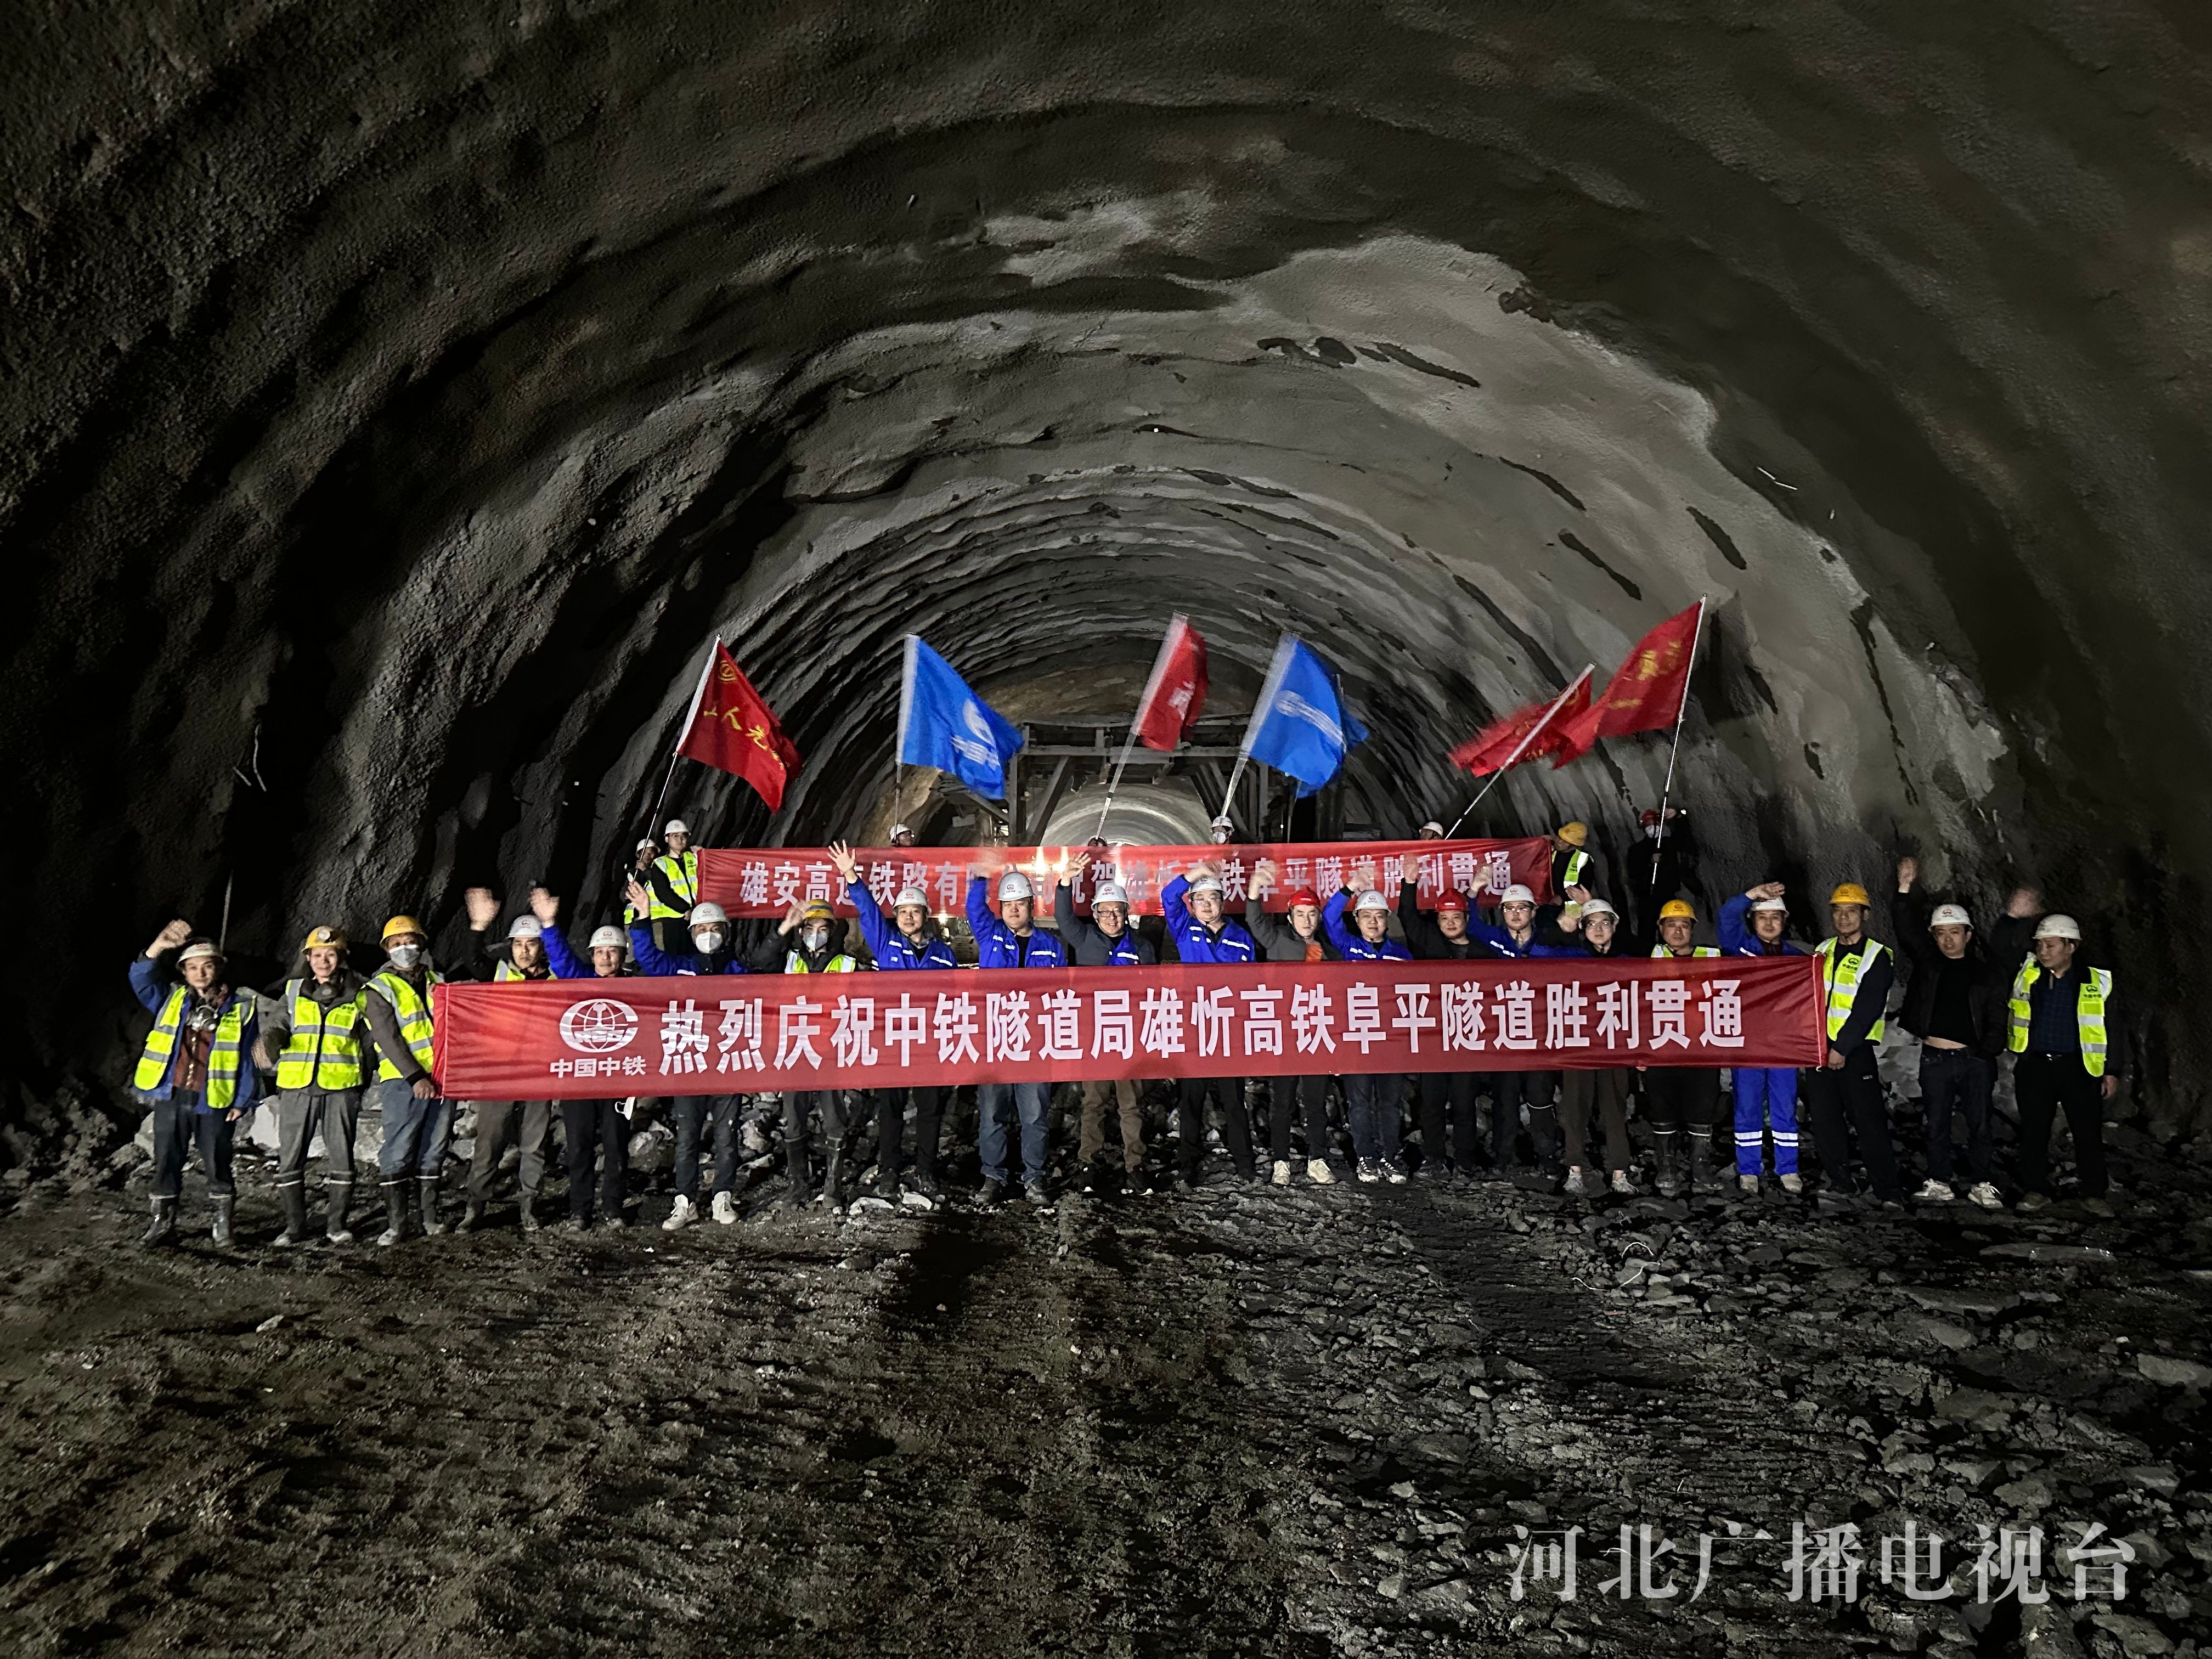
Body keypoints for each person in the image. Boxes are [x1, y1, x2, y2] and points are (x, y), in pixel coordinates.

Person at [831, 841, 957, 1206]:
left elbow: (955, 996)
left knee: (930, 1110)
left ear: (925, 916)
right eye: (903, 912)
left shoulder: (943, 954)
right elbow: (868, 912)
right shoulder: (886, 944)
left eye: (915, 911)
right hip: (894, 1039)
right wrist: (851, 875)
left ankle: (925, 1171)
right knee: (891, 1109)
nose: (908, 917)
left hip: (929, 1041)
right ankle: (889, 1170)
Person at [625, 883, 749, 1231]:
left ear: (725, 933)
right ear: (692, 934)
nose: (709, 935)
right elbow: (648, 958)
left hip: (727, 1064)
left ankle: (722, 1196)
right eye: (702, 929)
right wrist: (643, 915)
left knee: (726, 1136)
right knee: (687, 1137)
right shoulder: (679, 967)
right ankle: (685, 1202)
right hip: (690, 1063)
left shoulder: (736, 970)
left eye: (715, 929)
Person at [129, 921, 259, 1248]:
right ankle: (162, 1222)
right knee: (166, 1158)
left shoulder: (241, 1006)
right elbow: (141, 979)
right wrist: (157, 948)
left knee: (218, 1159)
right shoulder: (171, 999)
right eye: (192, 967)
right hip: (172, 1094)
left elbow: (247, 1056)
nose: (200, 973)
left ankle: (222, 1225)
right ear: (184, 972)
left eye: (207, 966)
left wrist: (243, 1100)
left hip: (213, 1097)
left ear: (218, 968)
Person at [1894, 859, 2006, 1209]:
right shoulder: (1930, 964)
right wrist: (1904, 888)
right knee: (1936, 1123)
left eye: (1954, 932)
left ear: (1968, 935)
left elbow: (1997, 1017)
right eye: (1941, 933)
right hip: (1935, 1058)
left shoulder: (1985, 974)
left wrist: (1986, 1053)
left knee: (1980, 1124)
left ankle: (1982, 1184)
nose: (1947, 939)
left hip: (1974, 1060)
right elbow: (1906, 931)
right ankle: (1939, 1181)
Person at [254, 924, 370, 1246]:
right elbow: (278, 1024)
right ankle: (294, 1227)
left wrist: (362, 1082)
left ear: (341, 957)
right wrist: (269, 1043)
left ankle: (336, 1226)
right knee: (290, 1158)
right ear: (308, 958)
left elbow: (369, 1041)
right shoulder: (293, 992)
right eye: (317, 955)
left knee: (342, 1159)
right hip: (297, 1086)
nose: (323, 961)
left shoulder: (360, 995)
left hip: (341, 1088)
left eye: (330, 955)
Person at [2007, 913, 2126, 1215]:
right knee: (2034, 1131)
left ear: (2071, 947)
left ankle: (2094, 1193)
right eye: (2040, 945)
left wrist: (2111, 1071)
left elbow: (2113, 1027)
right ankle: (2036, 1190)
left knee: (2087, 1133)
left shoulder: (2096, 981)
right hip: (2036, 1065)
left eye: (2050, 945)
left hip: (2079, 1067)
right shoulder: (2027, 974)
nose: (2043, 951)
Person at [360, 907, 466, 1248]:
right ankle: (397, 1225)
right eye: (397, 943)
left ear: (422, 944)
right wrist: (415, 1077)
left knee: (435, 1146)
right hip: (403, 1082)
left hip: (444, 1078)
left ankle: (429, 1219)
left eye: (410, 941)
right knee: (400, 1148)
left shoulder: (439, 981)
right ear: (387, 949)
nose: (404, 948)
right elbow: (388, 1037)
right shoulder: (378, 988)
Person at [966, 865, 1069, 1205]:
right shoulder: (990, 935)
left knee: (1035, 1115)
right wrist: (981, 878)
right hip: (995, 1039)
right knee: (992, 1113)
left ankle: (1034, 1177)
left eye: (1020, 903)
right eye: (1007, 905)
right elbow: (974, 908)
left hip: (1034, 1042)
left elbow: (1060, 994)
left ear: (1031, 906)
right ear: (1000, 908)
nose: (1013, 910)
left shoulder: (1050, 945)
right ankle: (993, 1176)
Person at [1057, 850, 1159, 1195]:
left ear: (1126, 913)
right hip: (1095, 1036)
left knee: (1131, 1105)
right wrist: (1065, 882)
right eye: (1105, 912)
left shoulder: (1142, 946)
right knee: (1094, 1103)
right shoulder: (1084, 939)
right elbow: (1063, 915)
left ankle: (1135, 1165)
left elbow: (1151, 992)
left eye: (1117, 911)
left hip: (1129, 1036)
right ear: (1095, 914)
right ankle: (1089, 1162)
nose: (1112, 917)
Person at [749, 898, 862, 1210]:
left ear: (833, 932)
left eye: (823, 929)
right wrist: (785, 927)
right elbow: (760, 962)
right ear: (801, 932)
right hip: (796, 1051)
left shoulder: (848, 965)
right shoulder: (789, 960)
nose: (816, 934)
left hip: (831, 1054)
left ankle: (832, 1187)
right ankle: (798, 1185)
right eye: (810, 928)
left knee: (835, 1121)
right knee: (794, 1119)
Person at [535, 890, 636, 1230]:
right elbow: (561, 960)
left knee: (617, 1146)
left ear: (623, 955)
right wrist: (549, 924)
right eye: (600, 952)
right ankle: (580, 1210)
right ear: (591, 956)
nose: (606, 958)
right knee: (579, 1146)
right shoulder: (580, 981)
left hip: (621, 1082)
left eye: (613, 951)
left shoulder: (639, 990)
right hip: (580, 1079)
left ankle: (613, 1209)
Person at [460, 911, 563, 1232]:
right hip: (500, 1071)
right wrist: (478, 927)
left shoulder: (558, 979)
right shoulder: (499, 972)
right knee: (489, 1142)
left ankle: (529, 1205)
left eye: (531, 944)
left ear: (541, 947)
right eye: (518, 944)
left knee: (534, 1144)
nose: (524, 951)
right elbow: (472, 960)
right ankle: (476, 1206)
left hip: (538, 1071)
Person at [1804, 882, 1904, 1211]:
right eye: (1838, 911)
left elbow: (1867, 1008)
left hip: (1854, 1051)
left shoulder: (1877, 956)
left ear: (1865, 915)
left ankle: (1888, 1190)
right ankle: (1840, 1182)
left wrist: (1842, 1049)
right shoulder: (1823, 950)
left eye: (1852, 911)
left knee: (1869, 1120)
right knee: (1825, 1120)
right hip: (1820, 1050)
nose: (1844, 917)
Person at [1161, 863, 1261, 1188]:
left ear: (1223, 901)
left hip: (1229, 1030)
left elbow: (1252, 985)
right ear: (1192, 904)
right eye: (1199, 899)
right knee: (1192, 1101)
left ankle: (1245, 1163)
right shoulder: (1184, 928)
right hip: (1197, 1028)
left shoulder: (1241, 937)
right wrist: (1193, 874)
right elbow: (1169, 897)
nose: (1206, 905)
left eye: (1212, 898)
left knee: (1234, 1100)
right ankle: (1188, 1165)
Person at [1396, 851, 1496, 1181]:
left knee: (1465, 1102)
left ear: (1466, 918)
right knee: (1433, 1102)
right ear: (1437, 920)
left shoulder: (1483, 954)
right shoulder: (1428, 942)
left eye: (1456, 917)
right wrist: (1410, 882)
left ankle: (1465, 1160)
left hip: (1467, 1036)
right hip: (1434, 1037)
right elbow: (1407, 916)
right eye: (1444, 918)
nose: (1450, 923)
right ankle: (1434, 1158)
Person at [1468, 883, 1573, 1181]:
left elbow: (1581, 959)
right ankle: (1503, 1156)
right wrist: (1474, 892)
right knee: (1505, 1098)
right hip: (1504, 1035)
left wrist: (1574, 922)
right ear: (1502, 913)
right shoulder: (1496, 940)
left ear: (1534, 912)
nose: (1516, 914)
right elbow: (1472, 926)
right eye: (1510, 909)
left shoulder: (1547, 941)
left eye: (1522, 908)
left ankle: (1546, 1155)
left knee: (1541, 1099)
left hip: (1540, 1035)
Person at [1247, 859, 1342, 1186]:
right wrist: (1255, 888)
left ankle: (1318, 1159)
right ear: (1290, 918)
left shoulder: (1327, 951)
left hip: (1316, 1032)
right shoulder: (1277, 940)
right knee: (1282, 1102)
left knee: (1315, 1102)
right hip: (1285, 1034)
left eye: (1312, 914)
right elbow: (1255, 920)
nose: (1306, 920)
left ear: (1319, 917)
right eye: (1300, 914)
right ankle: (1281, 1162)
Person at [1323, 866, 1412, 1184]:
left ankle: (1390, 1157)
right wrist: (1349, 889)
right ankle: (1366, 1158)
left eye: (1379, 916)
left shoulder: (1401, 955)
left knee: (1389, 1103)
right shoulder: (1349, 947)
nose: (1373, 922)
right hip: (1357, 1037)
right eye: (1367, 917)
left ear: (1387, 919)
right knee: (1360, 1103)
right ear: (1357, 920)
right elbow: (1329, 918)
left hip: (1391, 1040)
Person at [1717, 882, 1807, 1196]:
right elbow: (1726, 918)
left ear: (1785, 921)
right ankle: (1749, 1169)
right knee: (1747, 1106)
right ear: (1752, 921)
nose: (1769, 923)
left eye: (1775, 917)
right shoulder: (1739, 948)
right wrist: (1749, 896)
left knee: (1785, 1105)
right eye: (1762, 917)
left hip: (1783, 1045)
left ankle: (1788, 1168)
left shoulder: (1798, 960)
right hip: (1748, 1044)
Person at [1550, 896, 1637, 1195]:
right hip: (1579, 1045)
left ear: (1615, 926)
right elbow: (1539, 951)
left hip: (1615, 1045)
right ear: (1582, 928)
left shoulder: (1628, 961)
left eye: (1605, 923)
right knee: (1575, 1108)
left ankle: (1620, 1173)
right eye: (1591, 924)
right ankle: (1575, 1170)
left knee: (1615, 1110)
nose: (1598, 929)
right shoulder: (1570, 957)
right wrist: (1568, 917)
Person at [1642, 898, 1723, 1198]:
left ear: (1693, 929)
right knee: (1662, 1108)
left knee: (1703, 1109)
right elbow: (1636, 1005)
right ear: (1660, 928)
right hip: (1661, 1047)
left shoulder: (1713, 957)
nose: (1678, 931)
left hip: (1703, 1048)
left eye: (1684, 925)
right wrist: (1639, 1049)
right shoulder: (1647, 958)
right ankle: (1667, 1168)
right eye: (1671, 925)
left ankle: (1701, 1169)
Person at [645, 818, 700, 954]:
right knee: (677, 956)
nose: (680, 839)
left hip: (700, 916)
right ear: (667, 839)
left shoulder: (694, 858)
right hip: (675, 919)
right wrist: (685, 909)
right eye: (675, 836)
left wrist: (703, 854)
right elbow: (663, 893)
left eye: (683, 836)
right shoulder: (660, 864)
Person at [1550, 821, 1598, 899]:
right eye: (1559, 837)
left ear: (1574, 846)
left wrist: (1563, 898)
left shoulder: (1584, 860)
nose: (1559, 842)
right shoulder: (1549, 851)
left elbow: (1584, 889)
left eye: (1565, 841)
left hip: (1569, 904)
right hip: (1546, 901)